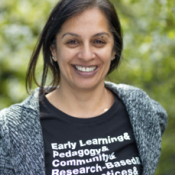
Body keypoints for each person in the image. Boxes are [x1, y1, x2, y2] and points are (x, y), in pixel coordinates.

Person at [0, 0, 167, 175]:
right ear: (53, 50)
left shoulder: (143, 112)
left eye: (99, 41)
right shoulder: (10, 132)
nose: (86, 55)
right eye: (72, 41)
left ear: (114, 50)